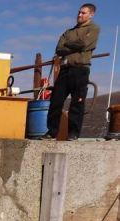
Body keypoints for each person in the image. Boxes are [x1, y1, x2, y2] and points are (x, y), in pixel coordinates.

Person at [43, 3, 100, 141]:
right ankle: (52, 132)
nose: (80, 15)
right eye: (79, 12)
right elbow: (59, 49)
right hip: (65, 70)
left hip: (81, 70)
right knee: (55, 101)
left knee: (77, 103)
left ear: (91, 14)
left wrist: (69, 44)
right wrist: (75, 45)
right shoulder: (68, 32)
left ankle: (73, 134)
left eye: (84, 13)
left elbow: (85, 44)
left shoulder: (94, 28)